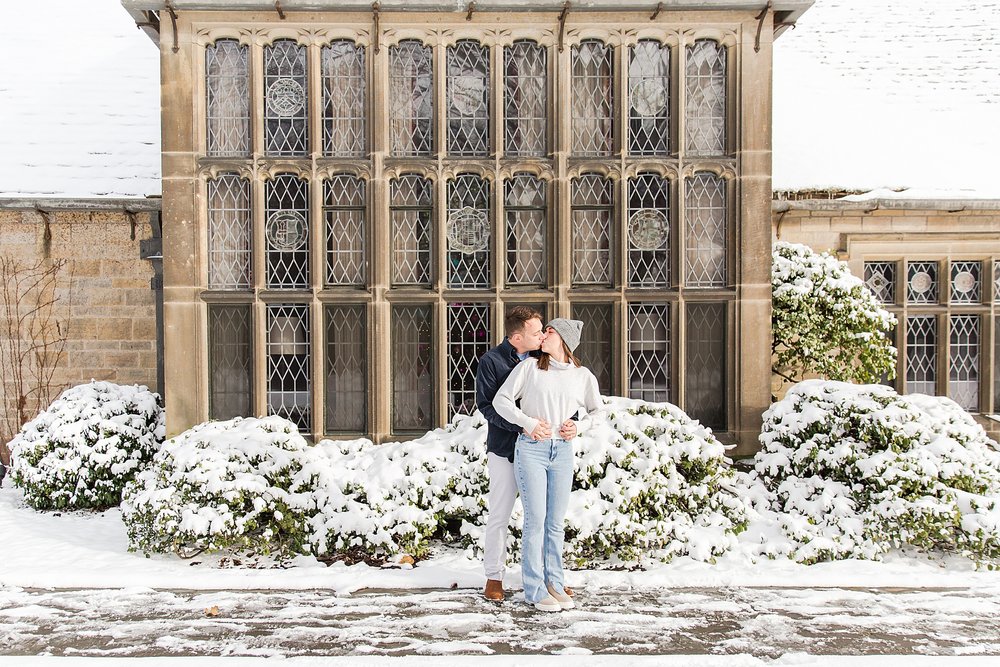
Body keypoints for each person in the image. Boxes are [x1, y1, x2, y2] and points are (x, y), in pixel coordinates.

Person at [493, 318, 602, 612]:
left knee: (554, 523)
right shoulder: (529, 368)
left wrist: (580, 428)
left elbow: (598, 412)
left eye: (549, 331)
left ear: (564, 341)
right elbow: (501, 401)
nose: (543, 335)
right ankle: (534, 588)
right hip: (532, 450)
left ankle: (554, 581)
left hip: (563, 451)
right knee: (536, 521)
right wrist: (527, 423)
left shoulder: (582, 376)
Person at [475, 306, 548, 602]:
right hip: (504, 449)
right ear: (517, 337)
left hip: (540, 448)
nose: (542, 336)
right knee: (500, 514)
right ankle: (494, 577)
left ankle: (547, 577)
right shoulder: (491, 361)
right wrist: (521, 427)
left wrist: (574, 422)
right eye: (536, 332)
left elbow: (563, 393)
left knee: (543, 516)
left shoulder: (544, 357)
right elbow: (487, 406)